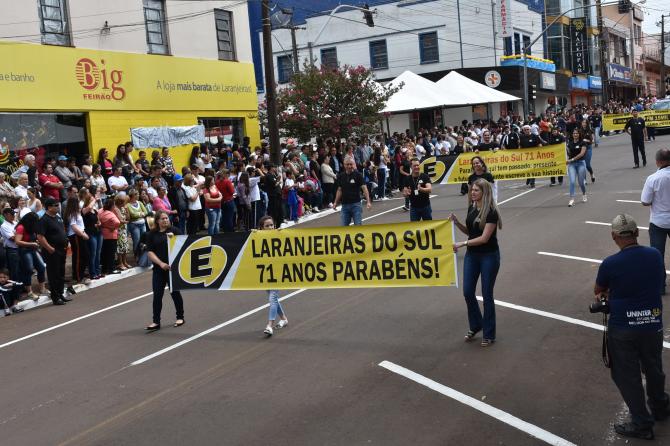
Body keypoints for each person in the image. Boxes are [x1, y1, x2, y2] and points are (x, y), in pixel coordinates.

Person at [593, 214, 669, 440]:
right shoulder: (654, 255)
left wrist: (611, 293)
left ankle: (642, 423)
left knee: (627, 376)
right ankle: (660, 406)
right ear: (636, 233)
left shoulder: (610, 264)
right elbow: (657, 280)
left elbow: (599, 290)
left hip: (623, 327)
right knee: (653, 367)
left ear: (614, 236)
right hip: (652, 323)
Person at [450, 179, 502, 347]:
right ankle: (476, 324)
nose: (472, 193)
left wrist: (462, 244)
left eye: (476, 190)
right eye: (472, 190)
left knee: (487, 294)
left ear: (484, 192)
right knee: (467, 292)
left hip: (489, 256)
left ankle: (489, 333)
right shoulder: (472, 208)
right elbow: (471, 232)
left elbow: (484, 238)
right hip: (472, 256)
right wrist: (457, 223)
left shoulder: (491, 212)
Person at [144, 209, 184, 331]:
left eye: (166, 218)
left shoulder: (175, 231)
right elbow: (150, 252)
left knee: (175, 293)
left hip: (172, 269)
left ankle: (180, 317)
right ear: (157, 221)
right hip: (158, 270)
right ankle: (156, 321)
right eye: (163, 218)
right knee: (157, 295)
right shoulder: (151, 234)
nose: (166, 220)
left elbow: (184, 246)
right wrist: (161, 264)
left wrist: (174, 240)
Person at [641, 148, 670, 295]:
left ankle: (660, 286)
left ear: (658, 162)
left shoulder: (653, 178)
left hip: (658, 221)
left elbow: (645, 201)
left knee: (658, 255)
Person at [258, 215, 288, 336]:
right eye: (267, 226)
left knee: (272, 298)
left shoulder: (279, 235)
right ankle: (284, 319)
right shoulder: (257, 238)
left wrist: (282, 234)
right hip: (265, 273)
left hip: (277, 272)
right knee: (273, 298)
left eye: (272, 225)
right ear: (262, 228)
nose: (270, 227)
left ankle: (269, 325)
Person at [37, 197, 70, 305]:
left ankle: (60, 293)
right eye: (56, 205)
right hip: (52, 251)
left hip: (62, 249)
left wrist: (66, 240)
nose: (58, 207)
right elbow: (40, 236)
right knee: (53, 274)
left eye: (58, 205)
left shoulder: (57, 217)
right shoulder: (43, 220)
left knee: (61, 273)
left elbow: (61, 231)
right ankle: (55, 297)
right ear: (49, 207)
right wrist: (49, 248)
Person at [15, 212, 47, 299]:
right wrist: (32, 244)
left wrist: (35, 242)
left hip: (33, 249)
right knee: (28, 270)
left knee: (41, 267)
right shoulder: (21, 227)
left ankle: (42, 289)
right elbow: (17, 241)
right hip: (24, 251)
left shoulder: (32, 227)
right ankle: (29, 292)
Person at [333, 156, 371, 226]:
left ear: (354, 164)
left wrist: (368, 201)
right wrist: (335, 202)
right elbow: (339, 190)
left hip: (356, 205)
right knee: (343, 226)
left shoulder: (358, 175)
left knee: (358, 225)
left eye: (351, 164)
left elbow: (364, 188)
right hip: (345, 205)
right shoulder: (341, 176)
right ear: (344, 165)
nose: (349, 166)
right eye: (347, 164)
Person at [63, 197, 90, 285]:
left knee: (84, 255)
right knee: (79, 256)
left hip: (79, 235)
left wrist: (83, 233)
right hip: (76, 236)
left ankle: (81, 273)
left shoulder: (76, 213)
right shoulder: (72, 214)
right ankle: (78, 277)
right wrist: (83, 234)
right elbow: (74, 227)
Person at [81, 192, 102, 280]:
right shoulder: (84, 210)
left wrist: (99, 223)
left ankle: (98, 271)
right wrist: (95, 199)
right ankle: (92, 273)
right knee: (93, 254)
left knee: (98, 253)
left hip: (98, 232)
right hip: (90, 233)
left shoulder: (95, 210)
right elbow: (89, 207)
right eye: (91, 200)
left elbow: (98, 220)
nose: (93, 201)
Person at [566, 128, 588, 207]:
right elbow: (567, 153)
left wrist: (571, 159)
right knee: (572, 181)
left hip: (581, 163)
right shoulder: (570, 143)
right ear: (572, 135)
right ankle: (572, 199)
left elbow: (581, 154)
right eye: (574, 133)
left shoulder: (583, 143)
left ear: (579, 134)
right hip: (572, 165)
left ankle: (584, 194)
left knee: (581, 182)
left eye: (577, 133)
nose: (575, 134)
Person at [98, 198, 121, 275]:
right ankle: (112, 269)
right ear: (112, 206)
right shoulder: (110, 214)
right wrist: (113, 228)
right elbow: (117, 222)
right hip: (111, 235)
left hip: (103, 233)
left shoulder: (100, 211)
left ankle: (104, 269)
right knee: (111, 253)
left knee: (104, 252)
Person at [126, 189, 149, 255]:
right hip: (134, 225)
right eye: (137, 194)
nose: (139, 195)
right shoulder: (128, 205)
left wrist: (138, 214)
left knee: (143, 240)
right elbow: (132, 214)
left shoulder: (140, 203)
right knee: (137, 241)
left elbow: (146, 212)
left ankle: (143, 255)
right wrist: (140, 214)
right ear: (133, 195)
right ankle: (137, 255)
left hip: (143, 224)